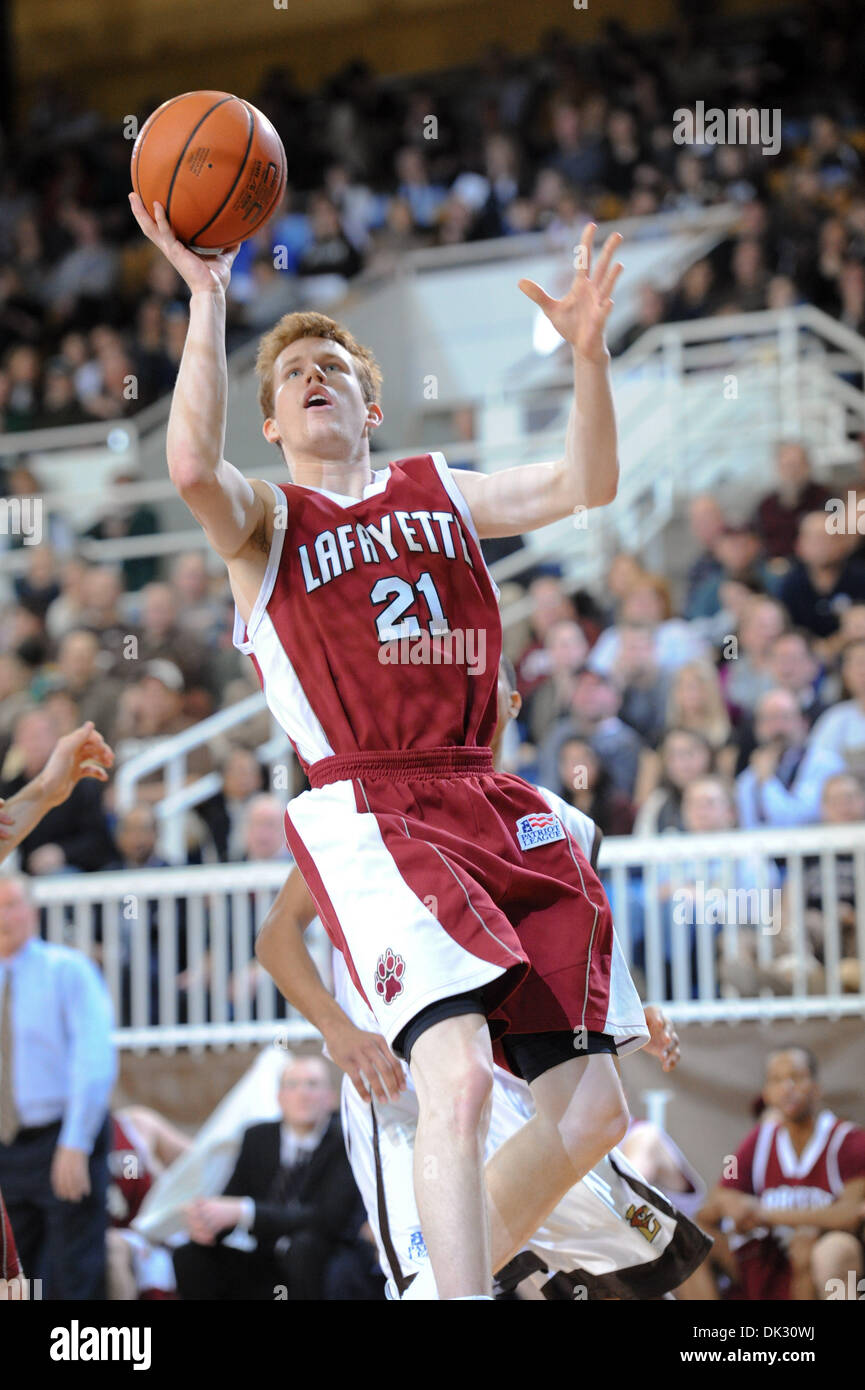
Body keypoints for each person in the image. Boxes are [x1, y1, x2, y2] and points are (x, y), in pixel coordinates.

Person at [129, 191, 648, 1300]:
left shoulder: (437, 488)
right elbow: (185, 469)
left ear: (371, 402)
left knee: (598, 1112)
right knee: (453, 1080)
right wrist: (207, 298)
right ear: (269, 422)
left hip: (486, 793)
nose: (314, 373)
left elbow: (584, 485)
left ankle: (431, 1284)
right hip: (371, 806)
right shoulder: (263, 521)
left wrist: (590, 360)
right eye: (291, 373)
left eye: (333, 364)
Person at [256, 661, 710, 1299]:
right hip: (404, 1093)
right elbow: (275, 937)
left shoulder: (554, 819)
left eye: (479, 680)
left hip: (519, 1093)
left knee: (610, 1269)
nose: (460, 691)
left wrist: (630, 1010)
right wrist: (336, 1030)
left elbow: (575, 939)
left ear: (514, 703)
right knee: (440, 1276)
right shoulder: (374, 810)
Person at [172, 1056, 374, 1301]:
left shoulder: (345, 1140)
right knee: (190, 1255)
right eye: (293, 1085)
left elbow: (327, 1218)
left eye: (312, 1084)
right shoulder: (257, 1137)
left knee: (304, 1247)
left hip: (322, 1262)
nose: (303, 1093)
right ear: (279, 1097)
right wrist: (208, 1221)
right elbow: (233, 1198)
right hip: (265, 1259)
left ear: (330, 1098)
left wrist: (245, 1212)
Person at [0, 873, 116, 1299]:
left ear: (32, 911)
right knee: (12, 1275)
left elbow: (94, 1058)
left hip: (62, 1136)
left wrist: (76, 1141)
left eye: (12, 904)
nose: (4, 916)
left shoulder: (67, 970)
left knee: (72, 1270)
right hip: (5, 1146)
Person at [699, 1047, 865, 1300]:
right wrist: (732, 1203)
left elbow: (851, 1213)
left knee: (834, 1250)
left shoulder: (850, 1139)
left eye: (796, 1078)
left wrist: (768, 1213)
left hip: (817, 1257)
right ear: (766, 1093)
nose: (787, 1087)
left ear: (817, 1087)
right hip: (765, 1258)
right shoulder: (758, 1139)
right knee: (691, 1239)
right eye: (776, 1080)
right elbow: (720, 1194)